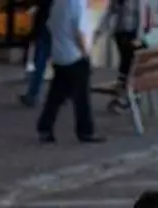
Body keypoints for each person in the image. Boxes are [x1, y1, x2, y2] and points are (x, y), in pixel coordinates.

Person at [37, 0, 107, 143]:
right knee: (81, 97)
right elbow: (79, 31)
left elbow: (50, 25)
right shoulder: (77, 3)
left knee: (55, 95)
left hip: (59, 54)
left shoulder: (58, 3)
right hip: (75, 55)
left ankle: (45, 127)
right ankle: (85, 130)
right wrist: (85, 52)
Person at [18, 0, 53, 107]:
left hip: (45, 26)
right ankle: (64, 92)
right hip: (55, 27)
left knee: (40, 62)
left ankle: (33, 94)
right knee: (58, 63)